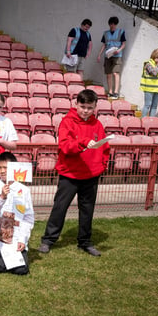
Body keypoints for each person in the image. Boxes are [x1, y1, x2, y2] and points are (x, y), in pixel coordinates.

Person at [38, 89, 110, 257]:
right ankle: (48, 240)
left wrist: (102, 165)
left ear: (95, 107)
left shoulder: (97, 125)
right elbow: (65, 146)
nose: (86, 110)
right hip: (69, 174)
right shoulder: (67, 122)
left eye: (90, 108)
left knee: (87, 209)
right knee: (60, 208)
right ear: (76, 104)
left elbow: (105, 147)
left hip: (91, 175)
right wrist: (83, 143)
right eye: (83, 106)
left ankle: (85, 242)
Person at [0, 152, 34, 275]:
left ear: (14, 168)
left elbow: (28, 218)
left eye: (6, 167)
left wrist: (22, 240)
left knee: (21, 270)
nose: (2, 171)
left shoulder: (24, 190)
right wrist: (2, 197)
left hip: (16, 237)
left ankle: (17, 254)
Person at [96, 16, 126, 99]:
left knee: (115, 73)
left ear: (116, 24)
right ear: (109, 24)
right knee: (108, 74)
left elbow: (123, 44)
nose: (112, 25)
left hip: (117, 55)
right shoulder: (106, 33)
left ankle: (116, 92)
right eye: (111, 24)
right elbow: (104, 45)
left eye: (114, 24)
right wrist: (99, 54)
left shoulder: (121, 32)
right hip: (108, 55)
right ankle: (110, 91)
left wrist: (119, 50)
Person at [140, 48, 158, 117]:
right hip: (149, 89)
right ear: (156, 55)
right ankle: (143, 121)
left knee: (154, 106)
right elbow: (154, 73)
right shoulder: (148, 64)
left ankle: (151, 122)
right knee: (147, 105)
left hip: (157, 89)